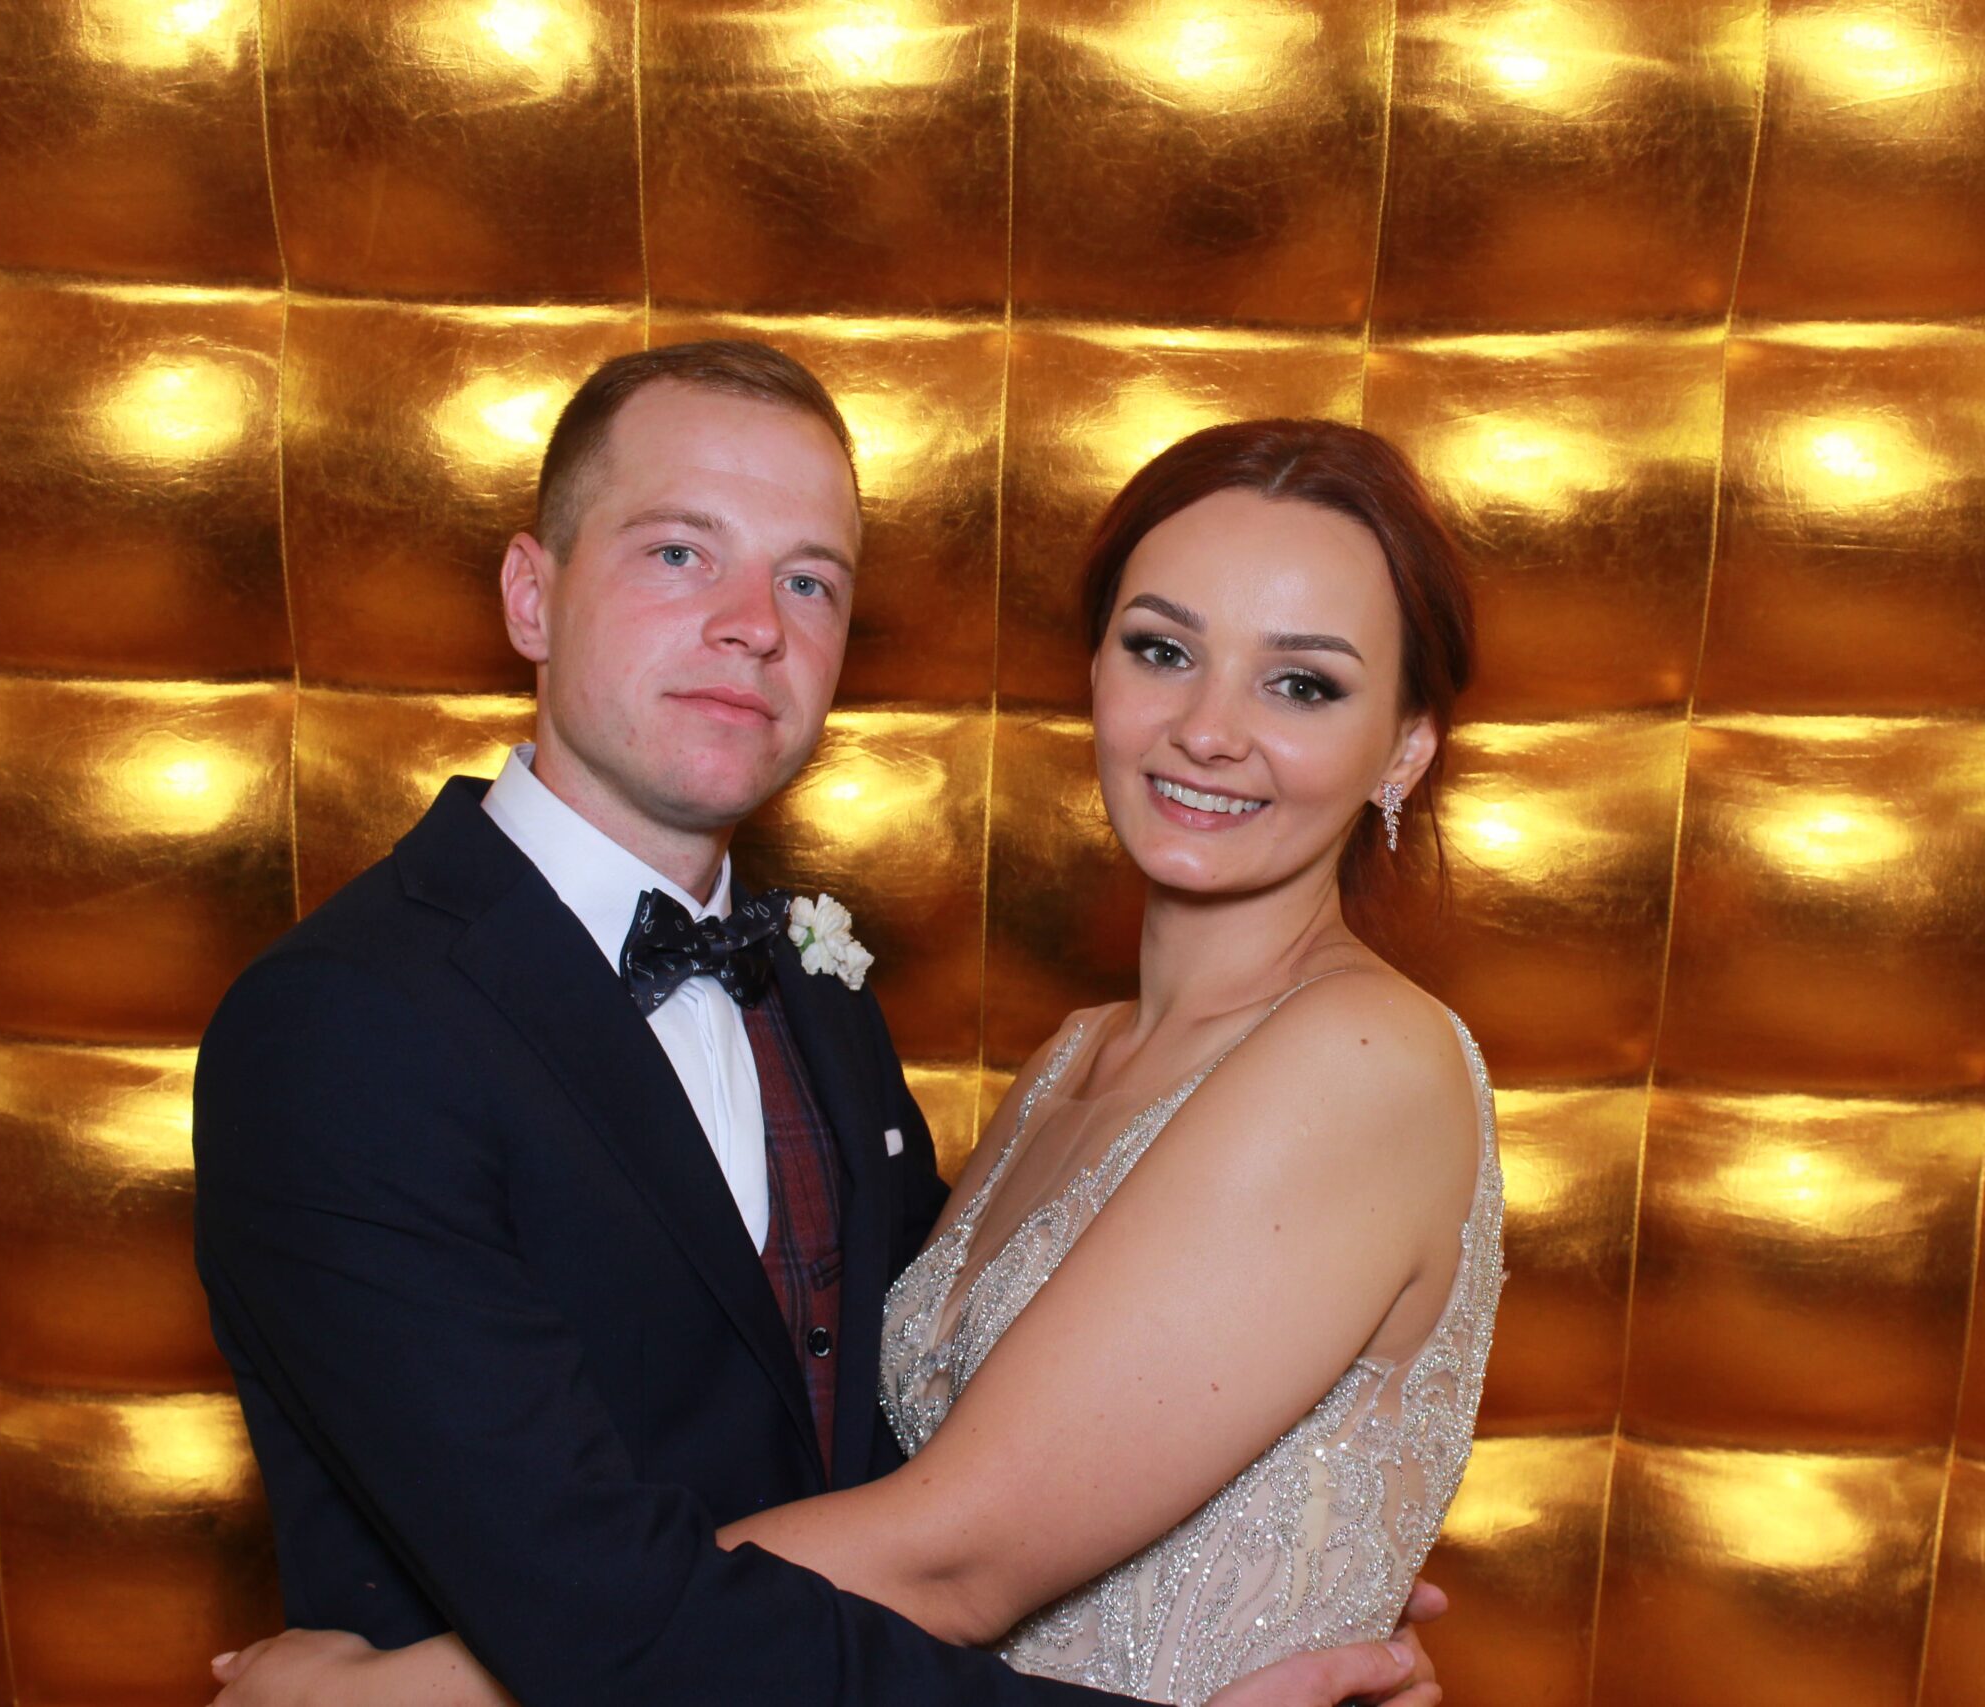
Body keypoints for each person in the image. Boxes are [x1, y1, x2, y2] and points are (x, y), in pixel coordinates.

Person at [193, 343, 1446, 1707]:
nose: (754, 625)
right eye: (681, 553)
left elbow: (948, 1508)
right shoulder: (346, 1025)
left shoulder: (821, 996)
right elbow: (587, 1587)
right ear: (532, 596)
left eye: (808, 582)